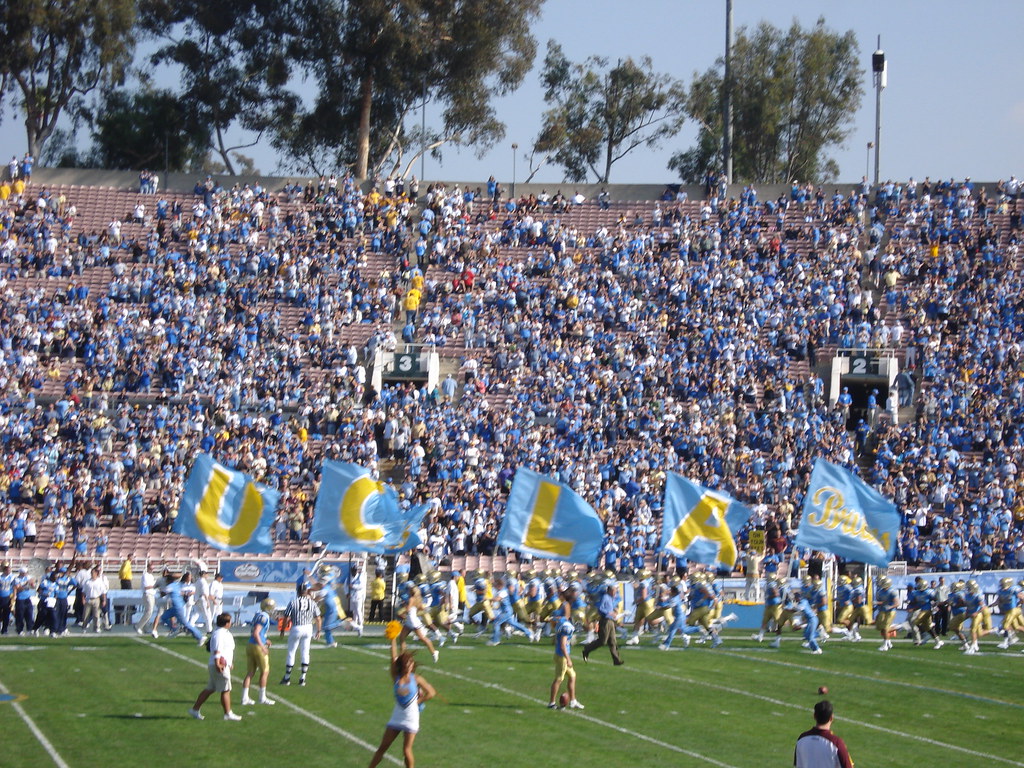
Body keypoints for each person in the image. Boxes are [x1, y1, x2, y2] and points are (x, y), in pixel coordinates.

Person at [367, 634, 436, 768]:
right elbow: (393, 658)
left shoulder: (416, 678)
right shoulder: (396, 677)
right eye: (407, 664)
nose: (409, 666)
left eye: (410, 664)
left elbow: (431, 692)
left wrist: (419, 701)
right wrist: (393, 639)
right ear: (402, 665)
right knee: (383, 747)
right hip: (397, 716)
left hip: (411, 717)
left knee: (406, 750)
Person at [189, 613, 242, 721]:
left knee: (210, 689)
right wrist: (218, 663)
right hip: (219, 665)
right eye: (230, 621)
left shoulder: (224, 633)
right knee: (226, 689)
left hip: (221, 664)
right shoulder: (219, 634)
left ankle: (194, 710)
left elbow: (227, 650)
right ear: (226, 623)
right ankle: (228, 713)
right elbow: (217, 650)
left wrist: (229, 663)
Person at [281, 584, 322, 685]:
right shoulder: (312, 603)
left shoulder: (293, 602)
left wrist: (283, 629)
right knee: (305, 652)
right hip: (308, 627)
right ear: (306, 591)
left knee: (291, 652)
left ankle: (287, 678)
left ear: (298, 591)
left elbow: (286, 616)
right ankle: (302, 678)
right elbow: (318, 618)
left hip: (296, 627)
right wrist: (319, 630)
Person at [794, 700, 853, 768]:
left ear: (814, 716)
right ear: (831, 718)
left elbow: (798, 764)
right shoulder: (836, 743)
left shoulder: (802, 739)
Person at [241, 598, 276, 706]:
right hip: (257, 646)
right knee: (265, 672)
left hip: (250, 645)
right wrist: (263, 646)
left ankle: (244, 698)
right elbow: (256, 633)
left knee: (250, 672)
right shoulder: (264, 617)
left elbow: (258, 633)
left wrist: (265, 640)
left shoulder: (258, 614)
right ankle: (262, 697)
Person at [582, 583, 624, 665]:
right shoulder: (605, 597)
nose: (615, 592)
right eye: (614, 591)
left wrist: (614, 611)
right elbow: (600, 608)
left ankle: (616, 660)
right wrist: (609, 612)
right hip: (605, 621)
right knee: (603, 641)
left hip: (611, 621)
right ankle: (587, 649)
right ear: (610, 591)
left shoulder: (611, 598)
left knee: (613, 641)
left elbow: (609, 608)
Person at [548, 616, 583, 709]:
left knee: (572, 676)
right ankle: (551, 703)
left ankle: (573, 701)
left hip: (559, 654)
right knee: (559, 679)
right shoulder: (567, 628)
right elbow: (563, 646)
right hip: (562, 657)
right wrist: (568, 659)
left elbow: (554, 619)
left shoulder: (563, 621)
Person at [136, 562, 159, 637]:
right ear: (148, 568)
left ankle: (145, 627)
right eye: (151, 568)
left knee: (149, 612)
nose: (152, 570)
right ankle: (138, 626)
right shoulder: (145, 575)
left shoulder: (151, 576)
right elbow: (146, 587)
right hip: (147, 594)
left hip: (152, 594)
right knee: (149, 611)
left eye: (153, 568)